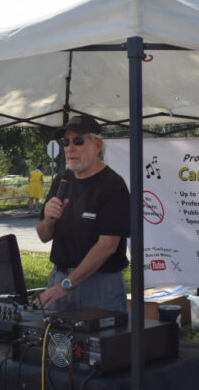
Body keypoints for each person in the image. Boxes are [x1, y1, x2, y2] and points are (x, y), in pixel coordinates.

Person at [35, 114, 130, 312]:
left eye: (78, 141)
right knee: (53, 333)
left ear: (97, 145)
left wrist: (67, 285)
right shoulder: (62, 180)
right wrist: (48, 220)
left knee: (101, 335)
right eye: (66, 142)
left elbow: (107, 246)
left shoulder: (112, 185)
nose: (70, 148)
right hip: (60, 278)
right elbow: (44, 236)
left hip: (99, 285)